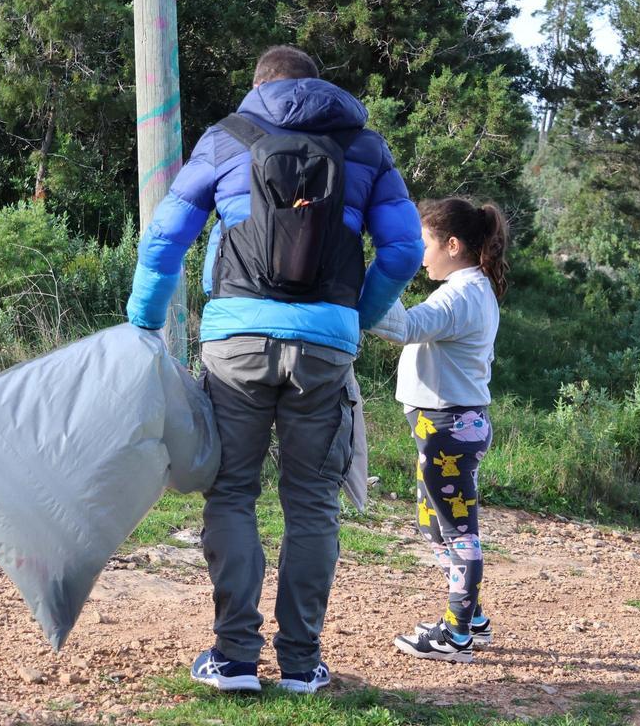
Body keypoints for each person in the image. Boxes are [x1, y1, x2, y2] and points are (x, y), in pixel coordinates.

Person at [126, 45, 423, 693]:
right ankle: (299, 665)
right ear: (318, 84)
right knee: (313, 502)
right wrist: (359, 316)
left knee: (232, 492)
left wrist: (144, 321)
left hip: (236, 341)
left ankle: (234, 659)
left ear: (257, 86)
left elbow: (165, 238)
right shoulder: (365, 145)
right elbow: (404, 248)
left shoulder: (227, 136)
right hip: (325, 348)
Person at [368, 197, 508, 663]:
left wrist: (367, 290)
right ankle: (474, 619)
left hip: (447, 428)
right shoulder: (468, 287)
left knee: (457, 531)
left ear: (452, 244)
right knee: (434, 526)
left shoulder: (460, 294)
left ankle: (457, 635)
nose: (419, 253)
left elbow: (405, 327)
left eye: (424, 244)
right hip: (446, 426)